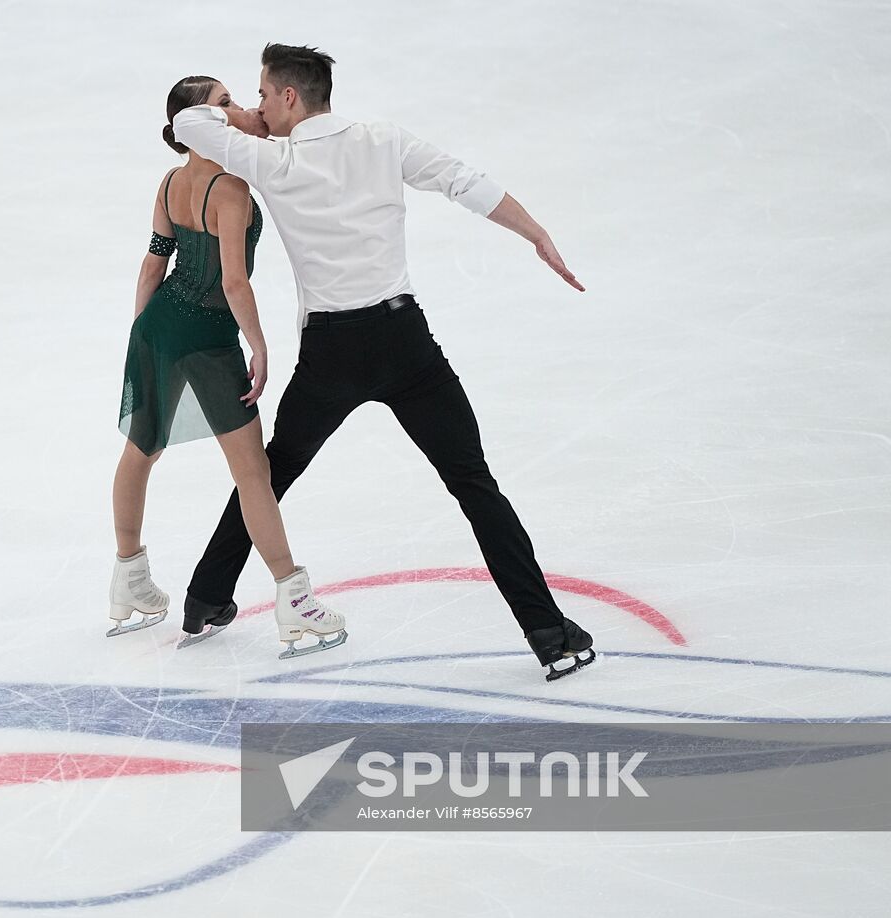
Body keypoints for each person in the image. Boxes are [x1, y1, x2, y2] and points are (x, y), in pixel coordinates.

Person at [171, 44, 596, 681]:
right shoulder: (383, 140)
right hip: (405, 344)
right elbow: (467, 182)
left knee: (272, 471)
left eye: (261, 94)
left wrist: (232, 118)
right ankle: (548, 632)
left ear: (290, 97)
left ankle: (205, 597)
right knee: (474, 485)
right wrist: (536, 233)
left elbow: (187, 124)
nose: (254, 107)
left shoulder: (269, 158)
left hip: (331, 356)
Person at [108, 75, 347, 659]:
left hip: (159, 328)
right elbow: (235, 283)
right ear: (203, 122)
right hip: (211, 339)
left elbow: (152, 267)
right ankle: (294, 599)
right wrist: (259, 345)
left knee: (142, 452)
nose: (237, 108)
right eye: (224, 104)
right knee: (252, 472)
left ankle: (128, 579)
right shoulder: (231, 189)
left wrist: (146, 339)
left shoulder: (170, 184)